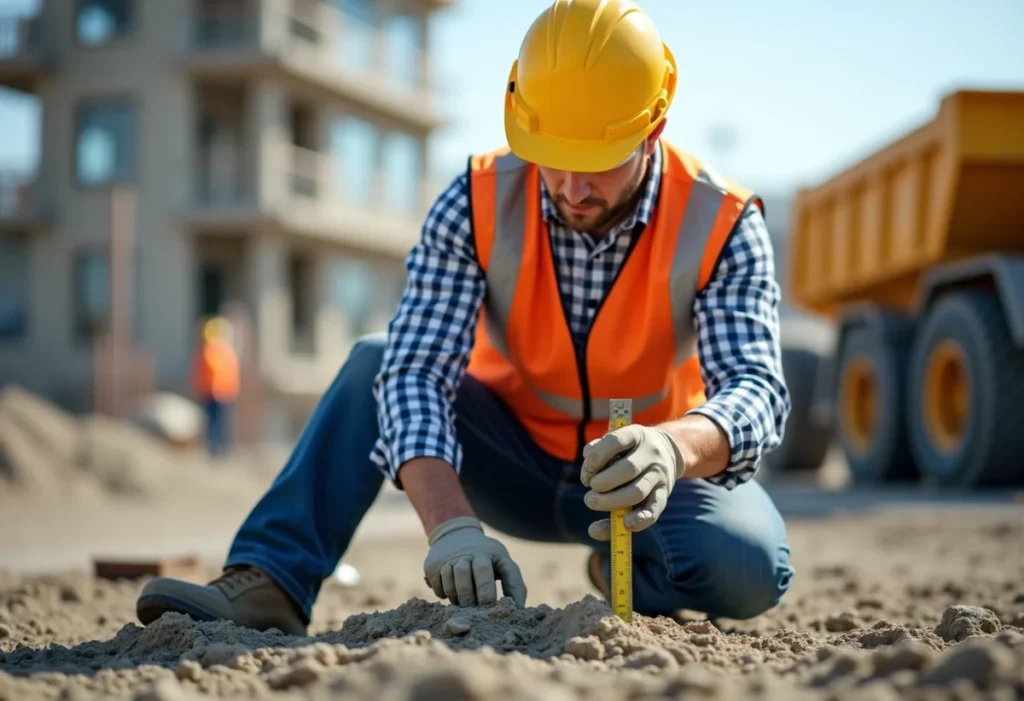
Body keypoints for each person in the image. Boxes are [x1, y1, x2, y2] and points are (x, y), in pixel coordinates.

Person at [136, 0, 794, 637]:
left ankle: (628, 569)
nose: (570, 187)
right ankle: (272, 578)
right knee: (376, 358)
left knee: (749, 564)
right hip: (507, 458)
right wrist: (450, 524)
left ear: (652, 128)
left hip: (645, 478)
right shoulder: (476, 199)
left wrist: (673, 447)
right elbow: (416, 371)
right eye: (551, 155)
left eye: (595, 164)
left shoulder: (722, 221)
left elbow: (757, 389)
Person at [191, 315, 239, 457]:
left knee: (219, 423)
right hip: (216, 392)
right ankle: (217, 449)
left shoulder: (212, 351)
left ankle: (220, 449)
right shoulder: (221, 351)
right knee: (216, 422)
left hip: (218, 393)